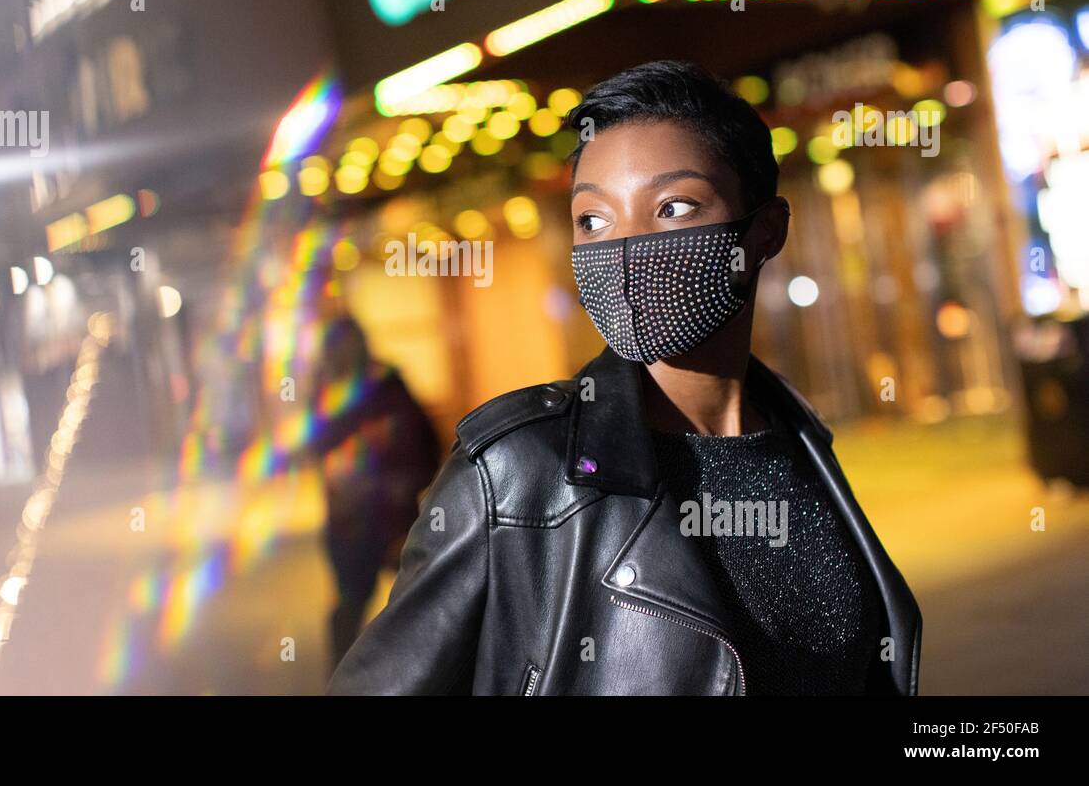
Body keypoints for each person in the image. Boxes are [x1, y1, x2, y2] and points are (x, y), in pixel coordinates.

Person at [328, 60, 921, 695]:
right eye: (594, 220)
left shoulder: (802, 444)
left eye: (672, 207)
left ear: (765, 232)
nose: (627, 250)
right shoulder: (516, 473)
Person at [306, 313, 441, 670]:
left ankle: (416, 675)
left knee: (418, 603)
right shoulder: (328, 394)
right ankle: (349, 677)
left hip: (390, 517)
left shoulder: (386, 385)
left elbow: (425, 443)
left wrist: (406, 482)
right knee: (357, 604)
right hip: (352, 520)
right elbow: (318, 451)